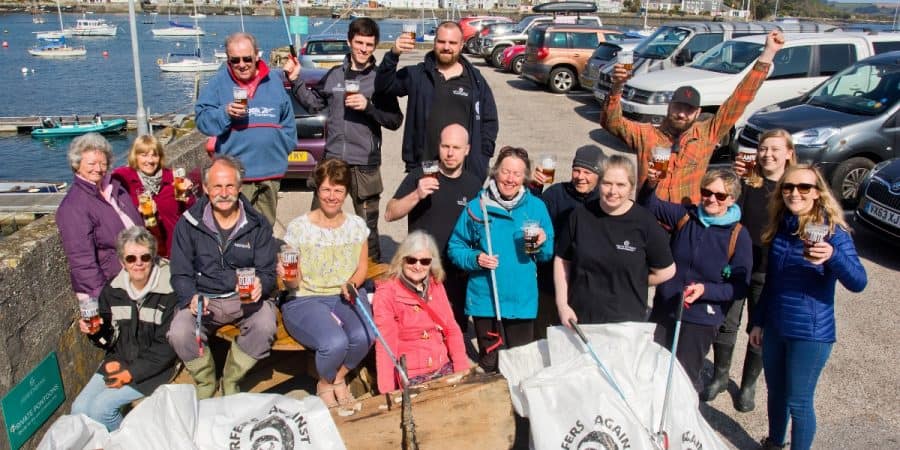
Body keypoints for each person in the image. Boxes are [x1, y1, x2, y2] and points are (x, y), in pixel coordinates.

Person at [749, 164, 867, 450]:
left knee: (799, 402)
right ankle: (774, 443)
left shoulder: (832, 231)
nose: (795, 193)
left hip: (810, 332)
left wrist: (833, 255)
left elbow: (858, 282)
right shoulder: (783, 226)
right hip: (777, 325)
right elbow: (773, 282)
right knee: (776, 393)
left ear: (817, 193)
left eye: (804, 187)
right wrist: (759, 321)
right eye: (788, 187)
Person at [601, 30, 785, 205]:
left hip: (685, 217)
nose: (682, 114)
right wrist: (617, 86)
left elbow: (739, 99)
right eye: (678, 107)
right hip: (650, 219)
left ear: (697, 113)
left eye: (688, 110)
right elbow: (611, 122)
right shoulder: (645, 135)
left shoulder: (706, 134)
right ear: (668, 106)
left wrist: (767, 54)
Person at [283, 18, 403, 262]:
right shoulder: (335, 75)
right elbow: (315, 103)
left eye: (369, 44)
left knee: (367, 228)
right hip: (332, 160)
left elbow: (394, 120)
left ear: (375, 46)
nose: (363, 49)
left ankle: (371, 281)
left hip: (364, 163)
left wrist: (368, 107)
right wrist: (296, 80)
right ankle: (314, 270)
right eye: (359, 42)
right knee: (317, 221)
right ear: (350, 42)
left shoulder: (380, 80)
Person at [167, 155, 278, 399]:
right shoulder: (188, 225)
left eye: (230, 186)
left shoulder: (258, 224)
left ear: (239, 188)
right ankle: (205, 380)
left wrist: (262, 283)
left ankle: (232, 378)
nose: (224, 192)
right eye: (217, 186)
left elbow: (268, 272)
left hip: (244, 299)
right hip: (204, 298)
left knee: (265, 325)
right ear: (206, 188)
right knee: (179, 331)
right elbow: (180, 273)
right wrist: (190, 295)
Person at [702, 129, 796, 411]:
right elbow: (730, 216)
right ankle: (720, 377)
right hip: (738, 267)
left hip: (770, 273)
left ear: (789, 154)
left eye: (775, 149)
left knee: (759, 329)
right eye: (763, 148)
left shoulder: (793, 190)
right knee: (727, 323)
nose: (767, 154)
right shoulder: (748, 182)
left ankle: (748, 386)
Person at [639, 168, 753, 393]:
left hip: (701, 316)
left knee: (684, 378)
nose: (711, 199)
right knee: (652, 367)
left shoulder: (738, 235)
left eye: (720, 196)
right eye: (706, 192)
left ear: (731, 199)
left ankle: (681, 424)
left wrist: (706, 290)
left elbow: (740, 286)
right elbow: (648, 206)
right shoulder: (686, 216)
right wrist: (650, 184)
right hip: (666, 308)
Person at [447, 146, 553, 372]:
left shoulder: (536, 208)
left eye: (517, 174)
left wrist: (542, 245)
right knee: (491, 364)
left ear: (524, 178)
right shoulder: (478, 207)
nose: (510, 179)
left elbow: (546, 255)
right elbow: (455, 247)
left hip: (521, 301)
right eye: (505, 171)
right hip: (486, 301)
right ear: (495, 172)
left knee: (521, 364)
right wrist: (476, 258)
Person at [279, 159, 372, 410]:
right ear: (317, 189)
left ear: (346, 193)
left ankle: (335, 378)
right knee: (334, 342)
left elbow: (362, 266)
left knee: (365, 335)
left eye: (338, 190)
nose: (332, 196)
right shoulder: (299, 227)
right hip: (305, 298)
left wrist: (353, 283)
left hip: (345, 293)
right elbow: (292, 281)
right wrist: (288, 277)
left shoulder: (356, 226)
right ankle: (326, 383)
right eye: (326, 189)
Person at [71, 227, 178, 431]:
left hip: (155, 369)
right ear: (122, 262)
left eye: (145, 257)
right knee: (79, 409)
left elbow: (166, 348)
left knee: (102, 409)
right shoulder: (112, 291)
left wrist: (130, 372)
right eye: (131, 258)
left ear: (153, 259)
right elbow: (108, 341)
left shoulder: (169, 292)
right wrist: (97, 333)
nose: (138, 263)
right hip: (119, 361)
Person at [555, 155, 675, 327]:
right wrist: (562, 305)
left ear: (631, 187)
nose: (613, 191)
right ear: (599, 183)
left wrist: (634, 279)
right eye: (607, 183)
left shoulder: (645, 222)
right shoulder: (580, 216)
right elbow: (562, 260)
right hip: (580, 318)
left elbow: (667, 271)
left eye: (621, 185)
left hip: (626, 323)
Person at [385, 123, 482, 331]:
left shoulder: (474, 185)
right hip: (422, 269)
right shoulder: (421, 175)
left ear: (467, 150)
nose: (449, 153)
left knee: (453, 331)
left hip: (456, 273)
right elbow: (390, 213)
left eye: (456, 148)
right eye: (445, 146)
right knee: (419, 331)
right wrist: (416, 195)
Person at [375, 20, 499, 181]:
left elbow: (490, 121)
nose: (446, 47)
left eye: (452, 43)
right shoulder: (417, 75)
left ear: (461, 45)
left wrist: (482, 158)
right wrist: (393, 54)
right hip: (424, 168)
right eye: (441, 41)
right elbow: (383, 87)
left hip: (464, 170)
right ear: (434, 43)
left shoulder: (475, 81)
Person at [195, 32, 297, 225]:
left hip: (270, 173)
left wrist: (282, 147)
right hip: (235, 178)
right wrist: (224, 113)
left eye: (247, 59)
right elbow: (202, 120)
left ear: (257, 55)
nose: (242, 64)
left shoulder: (273, 81)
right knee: (233, 232)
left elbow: (288, 120)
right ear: (228, 59)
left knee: (264, 232)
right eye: (235, 60)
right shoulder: (219, 82)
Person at [372, 231, 469, 393]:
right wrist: (387, 393)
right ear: (401, 259)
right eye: (411, 260)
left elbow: (451, 329)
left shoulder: (435, 285)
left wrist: (462, 369)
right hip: (413, 375)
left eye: (424, 261)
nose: (418, 266)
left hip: (443, 366)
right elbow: (385, 346)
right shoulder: (387, 293)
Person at [57, 133, 143, 303]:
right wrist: (105, 297)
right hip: (111, 284)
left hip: (135, 275)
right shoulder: (74, 206)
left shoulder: (115, 188)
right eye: (91, 164)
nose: (98, 169)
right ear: (77, 165)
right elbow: (82, 260)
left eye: (102, 163)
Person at [529, 147, 603, 334]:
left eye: (587, 172)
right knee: (544, 335)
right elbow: (530, 216)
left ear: (599, 175)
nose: (580, 176)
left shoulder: (604, 200)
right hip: (551, 280)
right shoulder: (556, 194)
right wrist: (535, 189)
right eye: (576, 170)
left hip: (586, 285)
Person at [112, 135, 195, 259]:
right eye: (144, 155)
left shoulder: (172, 179)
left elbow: (190, 212)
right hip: (142, 255)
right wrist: (137, 212)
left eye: (154, 155)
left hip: (175, 251)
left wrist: (189, 195)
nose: (150, 161)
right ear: (135, 156)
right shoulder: (125, 178)